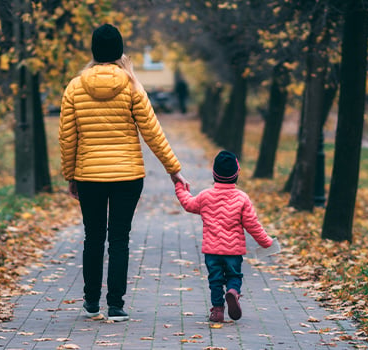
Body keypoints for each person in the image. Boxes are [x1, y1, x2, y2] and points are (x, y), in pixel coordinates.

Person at [59, 23, 189, 322]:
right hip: (128, 177)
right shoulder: (132, 86)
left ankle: (91, 303)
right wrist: (174, 170)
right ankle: (115, 306)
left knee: (93, 238)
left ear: (94, 50)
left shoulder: (75, 87)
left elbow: (68, 137)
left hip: (89, 175)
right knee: (119, 239)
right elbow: (153, 132)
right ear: (119, 51)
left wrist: (71, 175)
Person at [174, 150, 274, 322]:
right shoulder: (242, 198)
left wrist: (179, 187)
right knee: (234, 276)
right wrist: (266, 242)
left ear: (214, 174)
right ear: (237, 174)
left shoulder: (205, 196)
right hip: (233, 251)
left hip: (212, 251)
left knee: (215, 280)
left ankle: (218, 311)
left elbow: (189, 204)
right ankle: (233, 292)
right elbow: (253, 225)